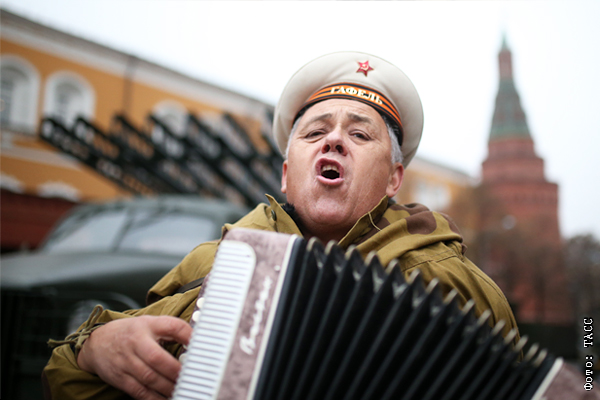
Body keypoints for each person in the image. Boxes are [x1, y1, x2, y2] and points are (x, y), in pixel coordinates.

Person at [43, 51, 520, 400]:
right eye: (315, 132)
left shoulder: (453, 284)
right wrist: (92, 348)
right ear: (288, 174)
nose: (334, 140)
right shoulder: (215, 262)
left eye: (359, 133)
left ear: (394, 178)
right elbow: (64, 374)